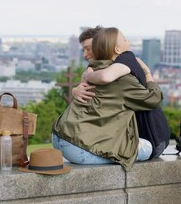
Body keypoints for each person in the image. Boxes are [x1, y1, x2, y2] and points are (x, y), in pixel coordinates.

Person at [52, 27, 163, 170]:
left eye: (89, 49)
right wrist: (148, 74)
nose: (86, 54)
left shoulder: (92, 69)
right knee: (147, 148)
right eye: (125, 39)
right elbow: (153, 99)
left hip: (59, 135)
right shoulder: (122, 76)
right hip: (76, 146)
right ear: (116, 49)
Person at [75, 28, 171, 159]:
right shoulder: (103, 66)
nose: (85, 54)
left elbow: (105, 77)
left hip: (152, 138)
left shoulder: (124, 60)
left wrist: (148, 73)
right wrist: (76, 89)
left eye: (89, 48)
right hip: (138, 136)